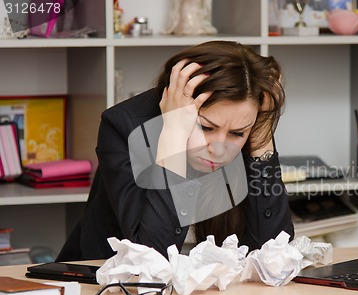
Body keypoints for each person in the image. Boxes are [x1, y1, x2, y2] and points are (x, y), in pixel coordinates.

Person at [56, 40, 294, 261]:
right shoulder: (124, 127)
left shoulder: (245, 122)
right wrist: (174, 136)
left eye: (237, 134)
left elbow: (274, 253)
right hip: (114, 287)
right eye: (206, 127)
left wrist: (262, 140)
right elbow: (151, 256)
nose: (220, 149)